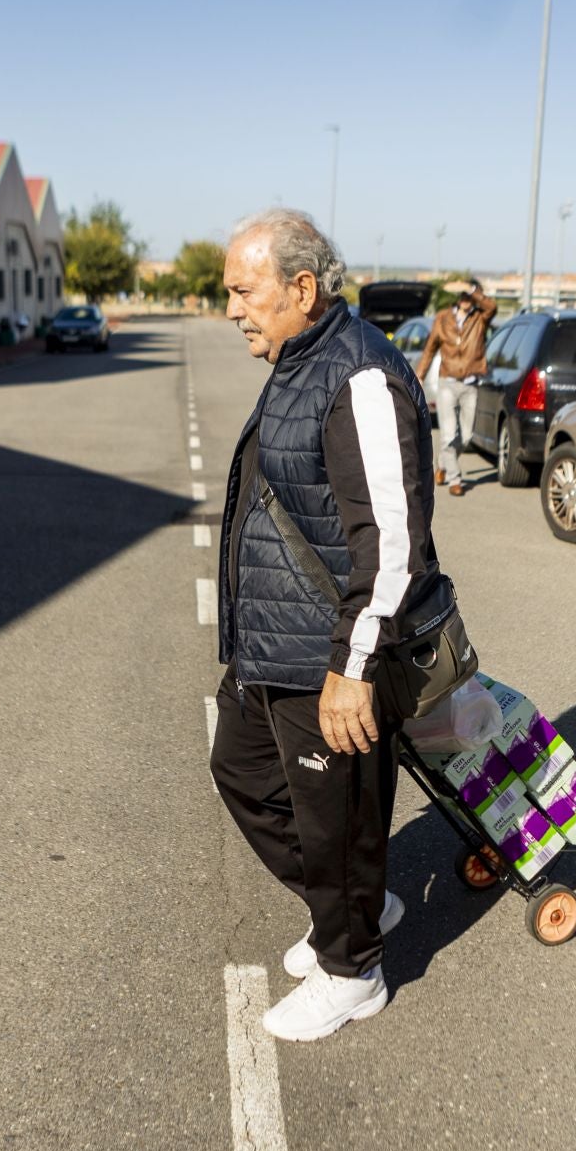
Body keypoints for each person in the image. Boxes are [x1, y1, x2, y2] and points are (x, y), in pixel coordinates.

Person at [210, 208, 446, 1040]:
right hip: (274, 644)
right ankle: (353, 903)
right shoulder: (300, 357)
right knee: (242, 772)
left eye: (245, 290)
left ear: (301, 288)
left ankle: (354, 971)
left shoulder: (361, 376)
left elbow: (391, 543)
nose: (232, 307)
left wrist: (351, 666)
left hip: (329, 655)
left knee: (333, 814)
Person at [416, 278, 498, 496]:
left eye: (469, 296)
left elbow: (492, 307)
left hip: (470, 384)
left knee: (467, 436)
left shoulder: (480, 318)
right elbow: (430, 348)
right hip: (448, 383)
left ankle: (442, 464)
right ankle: (455, 479)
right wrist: (420, 375)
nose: (466, 300)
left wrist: (472, 289)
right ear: (457, 299)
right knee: (448, 434)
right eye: (463, 296)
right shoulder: (443, 318)